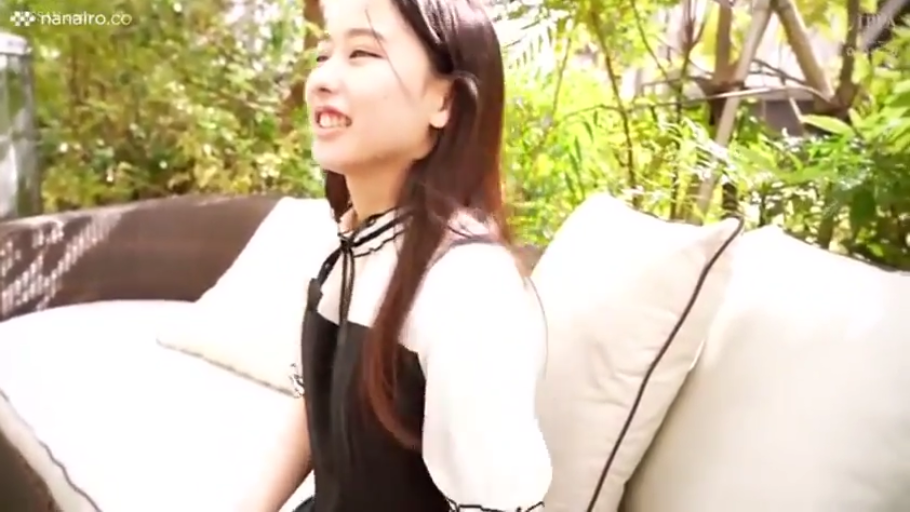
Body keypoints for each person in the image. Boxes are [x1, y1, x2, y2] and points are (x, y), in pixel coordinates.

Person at [239, 0, 551, 510]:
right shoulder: (350, 243)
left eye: (362, 53)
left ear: (445, 101)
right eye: (323, 55)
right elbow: (316, 408)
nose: (320, 80)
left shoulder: (469, 286)